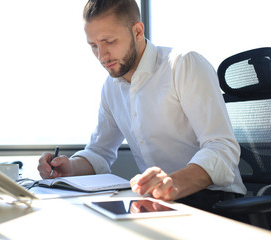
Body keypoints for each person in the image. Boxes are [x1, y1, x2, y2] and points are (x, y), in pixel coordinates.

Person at [37, 0, 246, 212]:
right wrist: (70, 167)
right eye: (93, 46)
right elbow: (99, 152)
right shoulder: (111, 87)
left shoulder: (183, 64)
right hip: (159, 201)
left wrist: (173, 183)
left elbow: (222, 148)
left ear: (137, 31)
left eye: (109, 41)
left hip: (215, 200)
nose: (101, 56)